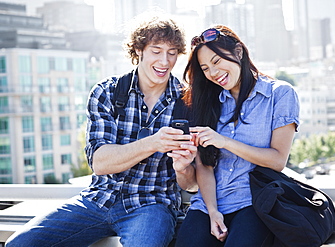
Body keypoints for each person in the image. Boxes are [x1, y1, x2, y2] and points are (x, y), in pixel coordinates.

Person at [6, 13, 198, 247]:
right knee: (20, 244)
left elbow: (189, 185)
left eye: (172, 53)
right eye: (156, 51)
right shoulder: (106, 92)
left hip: (152, 206)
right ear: (139, 50)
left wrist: (183, 168)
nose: (165, 62)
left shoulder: (187, 101)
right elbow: (101, 163)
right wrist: (153, 143)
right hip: (97, 201)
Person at [175, 25, 300, 247]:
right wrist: (213, 211)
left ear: (239, 53)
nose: (213, 73)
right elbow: (205, 165)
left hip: (253, 203)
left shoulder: (279, 94)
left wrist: (224, 142)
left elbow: (277, 160)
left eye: (216, 62)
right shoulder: (208, 102)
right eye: (205, 68)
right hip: (208, 204)